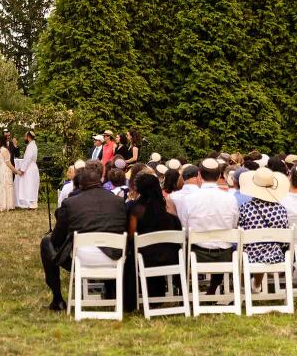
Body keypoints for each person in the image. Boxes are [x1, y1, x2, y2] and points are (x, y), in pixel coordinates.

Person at [40, 165, 126, 311]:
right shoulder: (118, 201)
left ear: (79, 184)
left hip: (82, 259)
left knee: (46, 242)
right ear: (101, 181)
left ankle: (58, 299)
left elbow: (56, 239)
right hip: (116, 257)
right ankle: (111, 291)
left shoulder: (70, 203)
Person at [125, 173, 182, 308]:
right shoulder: (167, 210)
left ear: (139, 189)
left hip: (145, 259)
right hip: (170, 258)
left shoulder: (136, 210)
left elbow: (131, 237)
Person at [182, 158, 239, 294]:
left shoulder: (189, 199)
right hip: (225, 255)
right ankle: (212, 289)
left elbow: (185, 228)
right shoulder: (230, 198)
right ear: (220, 175)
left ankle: (190, 293)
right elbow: (233, 225)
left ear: (199, 175)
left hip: (197, 255)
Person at [238, 167, 290, 292]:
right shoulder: (281, 209)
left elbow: (240, 232)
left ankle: (245, 285)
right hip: (275, 255)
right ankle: (256, 284)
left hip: (249, 255)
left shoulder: (245, 208)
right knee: (264, 247)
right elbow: (284, 239)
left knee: (240, 250)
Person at [16, 131, 39, 209]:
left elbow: (27, 160)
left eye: (25, 136)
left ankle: (31, 204)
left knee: (30, 186)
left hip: (30, 169)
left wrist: (22, 170)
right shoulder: (33, 145)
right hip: (32, 167)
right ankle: (32, 204)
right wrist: (21, 167)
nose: (24, 138)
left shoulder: (30, 146)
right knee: (32, 186)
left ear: (28, 137)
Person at [0, 135, 16, 211]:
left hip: (1, 170)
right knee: (7, 186)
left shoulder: (0, 150)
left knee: (2, 187)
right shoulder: (5, 150)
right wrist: (15, 171)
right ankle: (7, 205)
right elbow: (8, 163)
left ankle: (2, 203)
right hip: (6, 170)